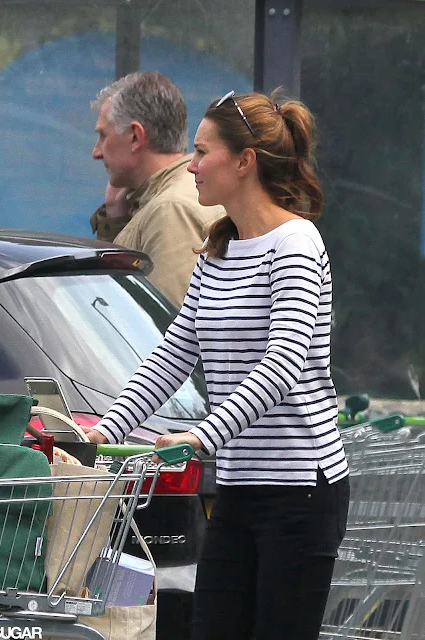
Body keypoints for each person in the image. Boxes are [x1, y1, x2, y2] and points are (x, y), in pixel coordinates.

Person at [86, 89, 350, 640]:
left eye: (203, 152)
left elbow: (285, 362)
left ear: (244, 162)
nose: (193, 165)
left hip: (300, 491)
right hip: (239, 488)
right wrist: (102, 433)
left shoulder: (296, 243)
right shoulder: (219, 247)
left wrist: (202, 436)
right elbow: (175, 353)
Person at [91, 71, 223, 308]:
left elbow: (163, 324)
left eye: (103, 135)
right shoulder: (177, 196)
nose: (96, 152)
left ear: (135, 137)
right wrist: (116, 219)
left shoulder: (171, 209)